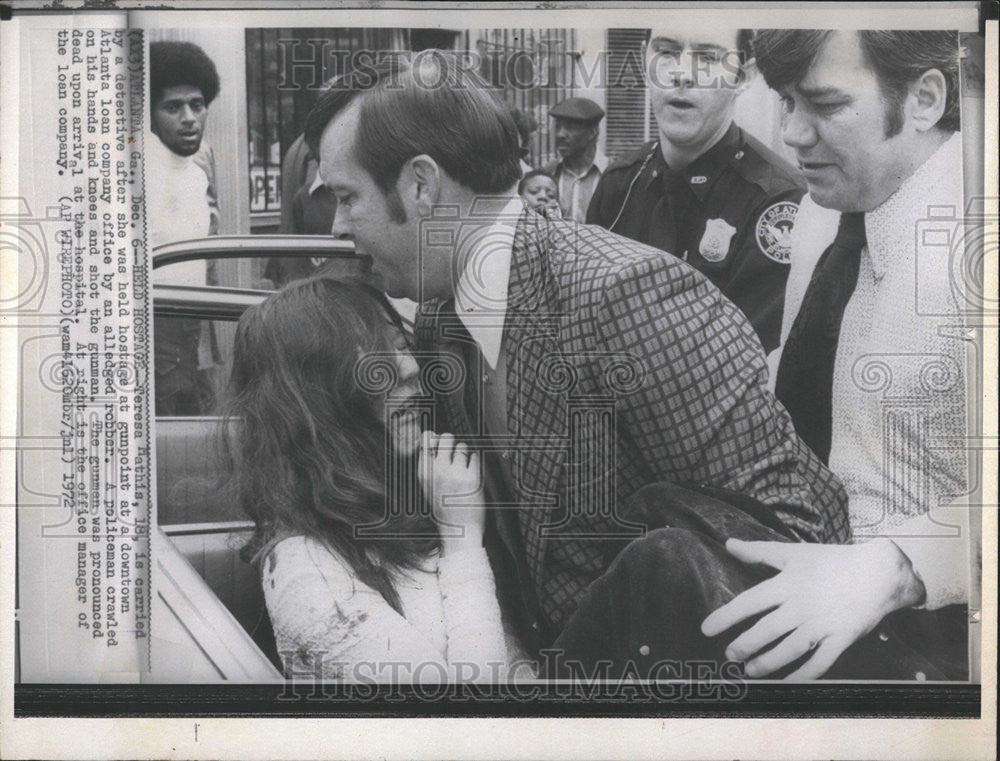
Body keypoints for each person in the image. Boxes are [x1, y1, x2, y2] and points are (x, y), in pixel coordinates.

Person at [303, 51, 849, 670]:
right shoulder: (438, 319)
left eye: (348, 197)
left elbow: (795, 541)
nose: (339, 225)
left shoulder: (626, 296)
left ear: (422, 185)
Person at [694, 29, 972, 681]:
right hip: (791, 585)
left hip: (935, 647)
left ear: (925, 99)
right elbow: (808, 372)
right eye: (785, 102)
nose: (792, 133)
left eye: (823, 104)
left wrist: (899, 567)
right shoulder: (821, 213)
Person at [218, 277, 527, 683]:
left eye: (400, 345)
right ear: (317, 401)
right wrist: (462, 536)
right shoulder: (306, 572)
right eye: (375, 359)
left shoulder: (421, 488)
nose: (411, 368)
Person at [587, 24, 804, 354]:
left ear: (741, 77)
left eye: (707, 57)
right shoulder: (619, 183)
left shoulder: (776, 201)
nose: (681, 73)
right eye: (666, 51)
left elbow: (747, 363)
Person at [148, 40, 221, 415]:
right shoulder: (136, 175)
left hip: (193, 335)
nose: (189, 117)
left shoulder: (196, 174)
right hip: (152, 334)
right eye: (172, 107)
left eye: (196, 104)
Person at [542, 96, 607, 222]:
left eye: (570, 128)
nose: (560, 134)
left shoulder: (610, 174)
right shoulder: (549, 172)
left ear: (592, 133)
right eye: (557, 127)